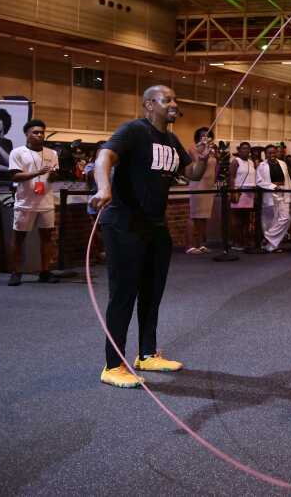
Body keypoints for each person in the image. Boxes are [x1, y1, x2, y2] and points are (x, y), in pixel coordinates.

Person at [90, 85, 213, 388]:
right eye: (166, 99)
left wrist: (201, 159)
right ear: (148, 105)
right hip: (124, 224)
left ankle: (146, 354)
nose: (174, 104)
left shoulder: (171, 140)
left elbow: (192, 175)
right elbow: (104, 157)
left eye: (175, 99)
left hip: (155, 226)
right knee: (123, 295)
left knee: (152, 292)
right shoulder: (133, 131)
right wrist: (104, 187)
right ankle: (112, 365)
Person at [8, 119, 60, 286]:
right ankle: (16, 272)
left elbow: (53, 178)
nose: (39, 135)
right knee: (19, 238)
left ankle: (45, 271)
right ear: (27, 134)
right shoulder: (17, 152)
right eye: (35, 132)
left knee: (47, 237)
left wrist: (54, 174)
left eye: (42, 132)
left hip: (46, 201)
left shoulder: (52, 153)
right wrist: (37, 172)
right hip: (25, 201)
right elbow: (15, 176)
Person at [185, 127, 218, 255]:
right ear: (198, 137)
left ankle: (201, 244)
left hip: (209, 186)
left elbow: (215, 166)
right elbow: (197, 159)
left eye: (208, 135)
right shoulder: (194, 148)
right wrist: (203, 147)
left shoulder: (212, 150)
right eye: (203, 135)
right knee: (194, 215)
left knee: (204, 217)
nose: (206, 137)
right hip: (198, 184)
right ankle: (190, 245)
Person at [257, 144, 291, 253]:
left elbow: (288, 180)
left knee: (286, 218)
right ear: (265, 154)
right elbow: (259, 181)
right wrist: (273, 186)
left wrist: (290, 194)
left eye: (274, 152)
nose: (272, 154)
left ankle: (267, 237)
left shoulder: (283, 163)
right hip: (270, 193)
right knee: (271, 221)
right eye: (269, 153)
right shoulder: (261, 166)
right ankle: (272, 246)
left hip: (283, 192)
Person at [227, 142, 256, 250]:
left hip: (250, 193)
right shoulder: (236, 161)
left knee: (246, 219)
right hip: (239, 192)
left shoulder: (251, 162)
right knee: (237, 219)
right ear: (239, 150)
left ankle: (245, 241)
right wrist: (233, 191)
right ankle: (236, 242)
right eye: (243, 148)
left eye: (248, 148)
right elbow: (231, 177)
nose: (246, 150)